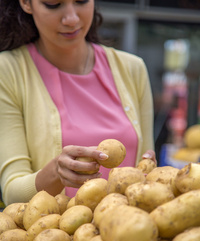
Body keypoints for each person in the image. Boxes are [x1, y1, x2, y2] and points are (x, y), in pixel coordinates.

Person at [0, 0, 156, 206]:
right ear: (26, 3)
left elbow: (148, 165)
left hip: (128, 229)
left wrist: (150, 169)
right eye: (53, 4)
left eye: (81, 1)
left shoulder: (133, 69)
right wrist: (56, 173)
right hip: (56, 234)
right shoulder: (8, 71)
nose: (71, 18)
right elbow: (12, 192)